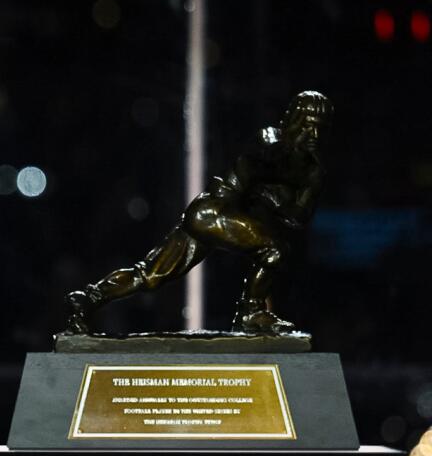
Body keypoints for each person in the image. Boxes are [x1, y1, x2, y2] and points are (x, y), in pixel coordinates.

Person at [65, 91, 332, 335]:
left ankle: (89, 299)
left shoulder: (312, 170)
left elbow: (298, 217)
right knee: (273, 249)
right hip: (213, 210)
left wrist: (293, 190)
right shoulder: (272, 139)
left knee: (151, 275)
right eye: (307, 125)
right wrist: (284, 170)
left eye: (319, 127)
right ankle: (250, 312)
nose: (312, 134)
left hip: (217, 218)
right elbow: (267, 152)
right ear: (294, 121)